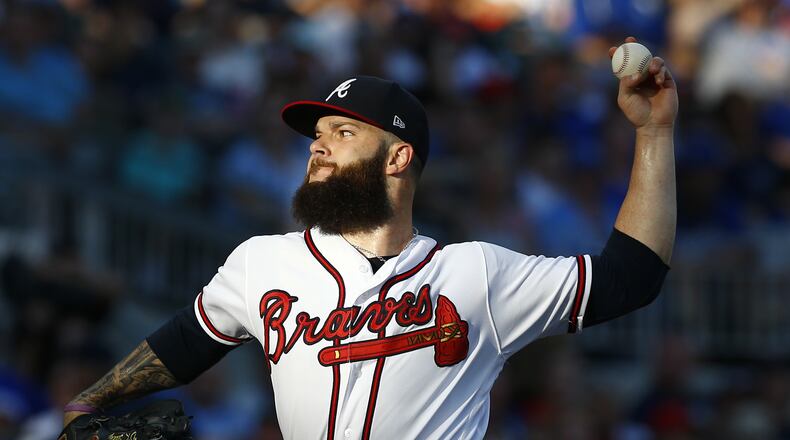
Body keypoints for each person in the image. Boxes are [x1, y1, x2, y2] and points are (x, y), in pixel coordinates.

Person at [63, 37, 678, 439]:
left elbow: (634, 275)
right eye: (317, 133)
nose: (318, 144)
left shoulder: (478, 275)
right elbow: (181, 346)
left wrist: (653, 136)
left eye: (342, 132)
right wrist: (85, 405)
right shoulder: (260, 262)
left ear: (398, 157)